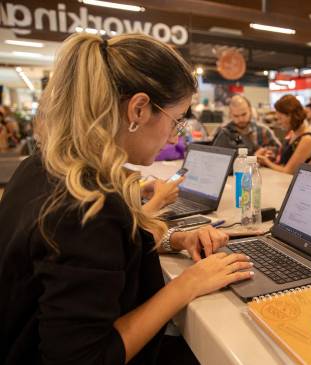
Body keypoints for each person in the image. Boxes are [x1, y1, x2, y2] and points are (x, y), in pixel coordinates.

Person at [0, 33, 254, 365]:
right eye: (176, 121)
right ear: (138, 109)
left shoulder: (42, 166)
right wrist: (187, 284)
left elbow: (97, 254)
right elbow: (85, 358)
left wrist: (176, 239)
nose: (172, 137)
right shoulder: (88, 206)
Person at [257, 95, 311, 175]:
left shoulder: (307, 139)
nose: (279, 122)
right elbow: (284, 160)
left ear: (292, 116)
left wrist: (266, 161)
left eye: (280, 118)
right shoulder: (293, 133)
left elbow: (288, 171)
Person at [212, 95, 280, 155]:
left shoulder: (263, 131)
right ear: (230, 114)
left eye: (244, 114)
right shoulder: (222, 130)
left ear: (250, 110)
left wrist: (265, 152)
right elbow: (212, 153)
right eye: (236, 116)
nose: (241, 119)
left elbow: (278, 149)